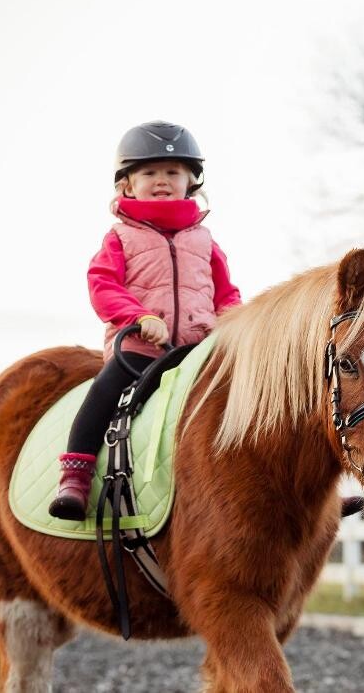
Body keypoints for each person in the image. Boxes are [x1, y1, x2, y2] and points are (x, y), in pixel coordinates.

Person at [48, 121, 241, 520]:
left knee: (258, 398)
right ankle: (75, 476)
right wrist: (138, 317)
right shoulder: (120, 237)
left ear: (191, 182)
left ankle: (296, 489)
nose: (161, 180)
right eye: (149, 172)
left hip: (199, 353)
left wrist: (232, 325)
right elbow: (102, 283)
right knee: (103, 392)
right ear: (126, 185)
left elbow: (227, 294)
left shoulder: (205, 241)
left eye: (173, 172)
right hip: (139, 349)